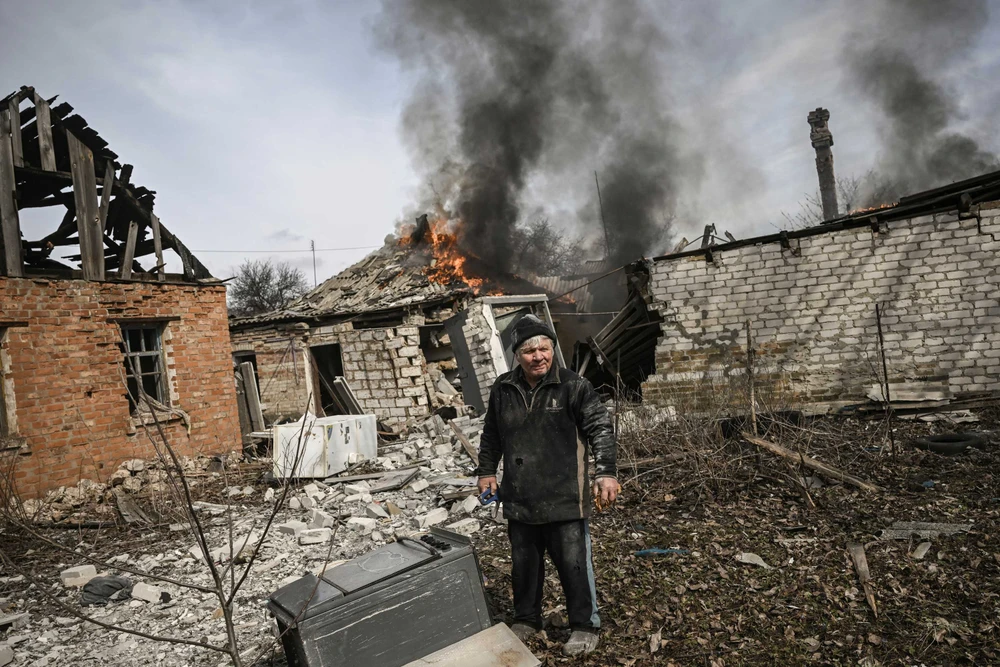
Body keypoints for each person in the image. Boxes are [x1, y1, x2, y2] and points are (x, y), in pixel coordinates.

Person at [475, 314, 619, 657]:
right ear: (517, 355)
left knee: (574, 564)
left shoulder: (573, 386)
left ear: (552, 349)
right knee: (523, 564)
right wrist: (486, 470)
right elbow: (491, 434)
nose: (538, 356)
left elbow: (600, 428)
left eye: (544, 348)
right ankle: (527, 619)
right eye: (529, 351)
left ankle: (584, 626)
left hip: (565, 495)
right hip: (521, 496)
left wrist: (606, 472)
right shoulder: (503, 388)